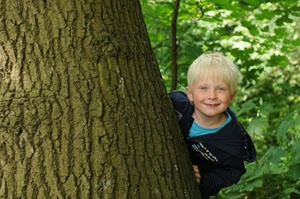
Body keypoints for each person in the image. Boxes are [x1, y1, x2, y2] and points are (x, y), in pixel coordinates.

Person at [169, 53, 256, 199]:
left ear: (232, 96)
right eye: (203, 88)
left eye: (221, 89)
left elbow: (233, 171)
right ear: (190, 93)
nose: (212, 96)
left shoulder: (233, 140)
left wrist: (201, 181)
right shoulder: (175, 105)